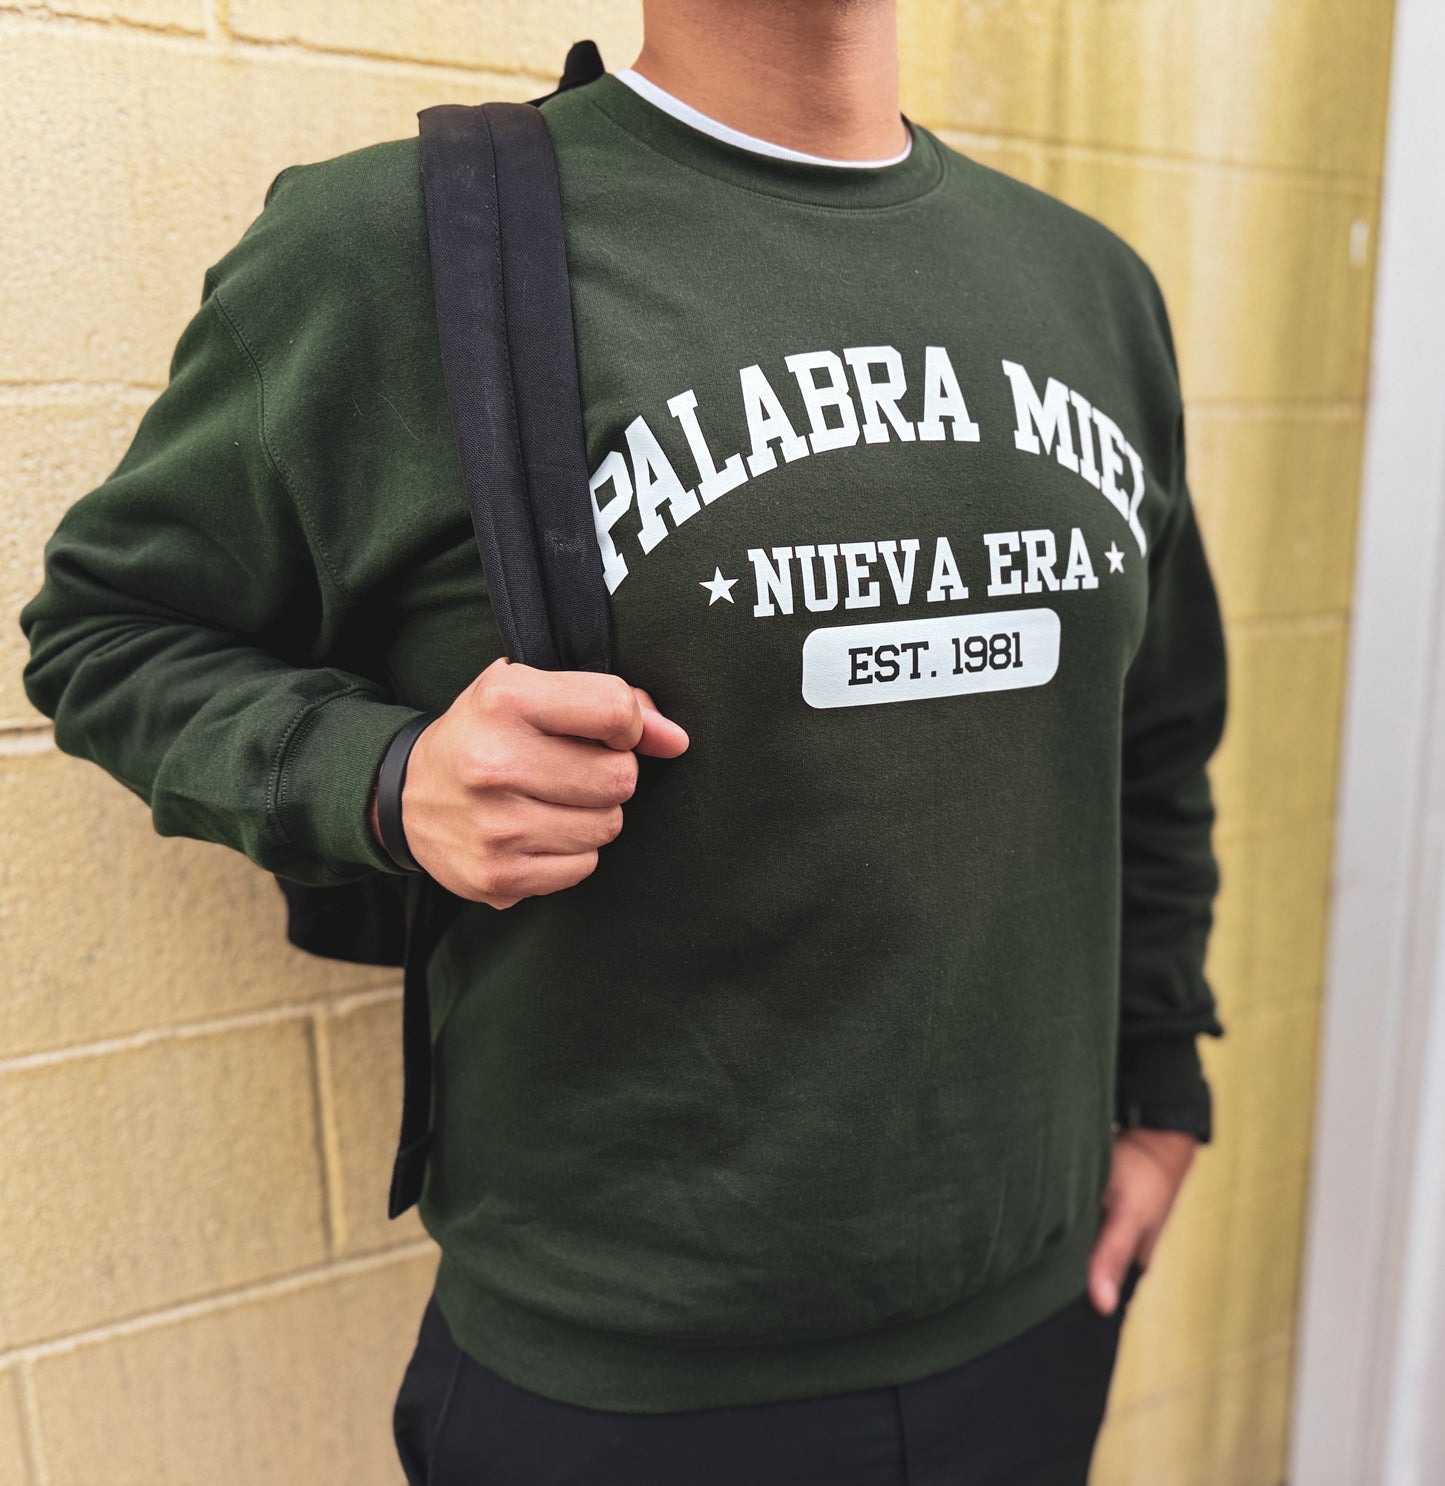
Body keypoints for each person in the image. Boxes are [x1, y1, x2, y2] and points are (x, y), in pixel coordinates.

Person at [18, 0, 1228, 1480]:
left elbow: (1156, 740)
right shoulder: (390, 249)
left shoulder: (1090, 285)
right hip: (623, 1382)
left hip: (1032, 1321)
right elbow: (108, 632)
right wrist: (384, 779)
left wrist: (1161, 1085)